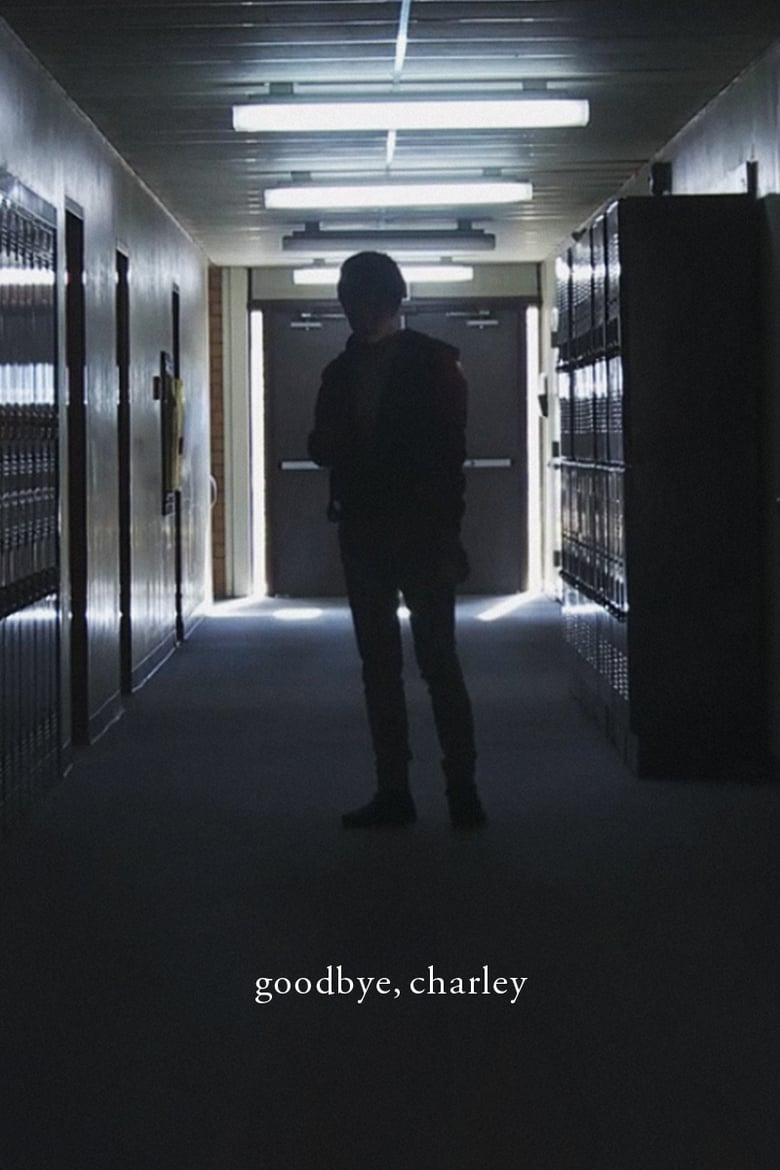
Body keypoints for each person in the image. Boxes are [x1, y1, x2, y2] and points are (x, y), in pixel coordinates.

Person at [307, 251, 485, 829]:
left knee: (438, 662)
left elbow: (449, 457)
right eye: (350, 301)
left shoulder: (435, 363)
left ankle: (461, 786)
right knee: (380, 667)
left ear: (391, 301)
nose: (357, 312)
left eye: (365, 300)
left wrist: (448, 530)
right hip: (366, 530)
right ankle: (395, 790)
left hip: (421, 530)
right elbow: (320, 444)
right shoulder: (340, 373)